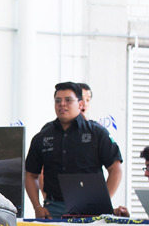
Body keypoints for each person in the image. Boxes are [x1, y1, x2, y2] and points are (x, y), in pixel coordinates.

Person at [24, 82, 126, 218]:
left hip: (91, 210)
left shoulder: (97, 133)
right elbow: (30, 175)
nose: (62, 104)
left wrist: (102, 202)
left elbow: (116, 169)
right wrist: (37, 206)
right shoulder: (42, 136)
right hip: (53, 209)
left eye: (68, 100)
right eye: (58, 101)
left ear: (80, 104)